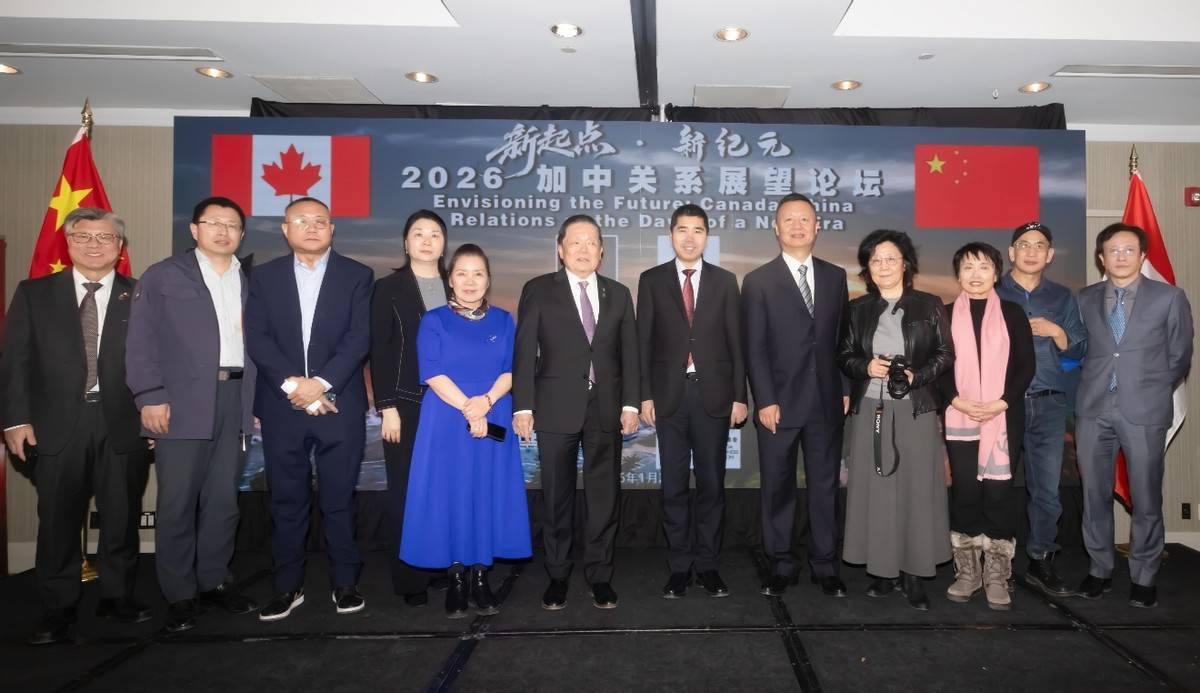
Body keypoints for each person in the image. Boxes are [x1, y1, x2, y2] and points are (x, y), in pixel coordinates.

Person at [1, 207, 151, 645]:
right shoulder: (35, 292)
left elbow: (159, 361)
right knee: (57, 520)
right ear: (67, 242)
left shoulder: (141, 295)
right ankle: (58, 606)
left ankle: (117, 596)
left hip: (123, 421)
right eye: (83, 236)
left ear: (120, 246)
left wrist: (156, 414)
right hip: (55, 424)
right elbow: (15, 361)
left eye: (105, 237)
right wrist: (14, 420)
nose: (94, 244)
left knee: (121, 515)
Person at [125, 196, 259, 633]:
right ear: (194, 229)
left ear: (241, 233)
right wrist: (149, 396)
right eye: (213, 223)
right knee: (177, 502)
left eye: (232, 225)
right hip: (180, 401)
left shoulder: (250, 279)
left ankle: (214, 580)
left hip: (236, 397)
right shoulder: (163, 275)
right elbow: (140, 341)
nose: (223, 231)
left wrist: (255, 404)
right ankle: (179, 593)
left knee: (223, 500)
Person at [244, 196, 374, 621]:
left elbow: (359, 338)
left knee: (339, 499)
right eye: (302, 220)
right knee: (286, 500)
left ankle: (345, 583)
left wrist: (320, 385)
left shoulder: (357, 275)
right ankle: (288, 586)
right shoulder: (263, 277)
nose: (312, 227)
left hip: (340, 404)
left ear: (332, 229)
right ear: (286, 229)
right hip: (282, 406)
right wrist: (294, 386)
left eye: (321, 221)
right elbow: (257, 337)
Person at [512, 214, 639, 610]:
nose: (584, 249)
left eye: (591, 243)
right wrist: (523, 405)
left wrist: (631, 403)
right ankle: (558, 575)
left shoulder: (619, 294)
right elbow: (524, 350)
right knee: (556, 497)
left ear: (601, 251)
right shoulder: (538, 290)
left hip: (605, 409)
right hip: (554, 407)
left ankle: (600, 576)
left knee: (604, 497)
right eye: (576, 242)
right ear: (560, 249)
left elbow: (630, 354)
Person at [400, 244, 531, 618]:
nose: (470, 281)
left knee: (486, 491)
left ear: (488, 280)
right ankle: (456, 577)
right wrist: (469, 408)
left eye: (478, 274)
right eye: (462, 273)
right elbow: (432, 372)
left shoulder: (504, 320)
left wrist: (485, 403)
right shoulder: (434, 320)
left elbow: (511, 370)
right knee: (451, 493)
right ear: (450, 280)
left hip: (494, 412)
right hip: (446, 419)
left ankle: (480, 575)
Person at [1074, 223, 1193, 608]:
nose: (1121, 256)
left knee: (1146, 496)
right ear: (1101, 258)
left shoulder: (1169, 297)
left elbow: (1180, 356)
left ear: (1142, 256)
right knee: (1093, 495)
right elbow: (1081, 348)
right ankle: (1099, 569)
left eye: (1129, 250)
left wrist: (1148, 389)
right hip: (1093, 409)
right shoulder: (1085, 298)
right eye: (1113, 250)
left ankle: (1144, 575)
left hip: (1144, 410)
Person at [837, 229, 954, 611]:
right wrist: (865, 366)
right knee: (878, 491)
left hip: (916, 409)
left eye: (891, 258)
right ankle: (883, 571)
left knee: (917, 490)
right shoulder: (857, 308)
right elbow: (844, 355)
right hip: (870, 408)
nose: (884, 265)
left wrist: (915, 377)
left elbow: (945, 354)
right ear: (867, 268)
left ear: (906, 264)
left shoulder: (929, 304)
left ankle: (914, 574)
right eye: (876, 260)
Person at [636, 204, 747, 599]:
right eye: (682, 229)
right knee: (673, 487)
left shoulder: (725, 281)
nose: (689, 237)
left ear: (706, 237)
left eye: (697, 230)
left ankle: (709, 566)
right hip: (669, 397)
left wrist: (739, 396)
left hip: (713, 396)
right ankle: (680, 566)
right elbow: (643, 343)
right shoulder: (651, 280)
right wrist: (644, 394)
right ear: (671, 234)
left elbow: (737, 343)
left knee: (713, 485)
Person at [741, 193, 849, 598]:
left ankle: (826, 565)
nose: (798, 226)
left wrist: (844, 388)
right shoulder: (758, 281)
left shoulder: (836, 277)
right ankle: (781, 564)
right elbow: (755, 348)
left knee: (825, 488)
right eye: (789, 220)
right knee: (777, 487)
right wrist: (765, 399)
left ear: (818, 226)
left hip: (827, 402)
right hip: (779, 404)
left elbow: (842, 341)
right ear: (776, 227)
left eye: (805, 219)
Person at [939, 242, 1035, 610]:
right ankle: (967, 572)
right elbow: (939, 366)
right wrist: (957, 400)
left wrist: (1001, 402)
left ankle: (997, 574)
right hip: (959, 415)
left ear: (996, 273)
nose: (975, 274)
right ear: (958, 275)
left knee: (999, 494)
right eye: (967, 267)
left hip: (1004, 416)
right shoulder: (944, 314)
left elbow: (1026, 366)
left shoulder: (1012, 313)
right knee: (965, 492)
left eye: (983, 267)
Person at [995, 221, 1087, 596]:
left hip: (1049, 404)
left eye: (1039, 246)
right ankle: (995, 563)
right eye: (1024, 244)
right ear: (1011, 252)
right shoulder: (993, 291)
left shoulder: (1063, 297)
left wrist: (1056, 332)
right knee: (996, 488)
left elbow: (1079, 348)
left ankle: (1041, 559)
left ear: (1049, 255)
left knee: (1046, 491)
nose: (1031, 251)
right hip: (1003, 404)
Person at [369, 210, 450, 607]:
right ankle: (409, 577)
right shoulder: (388, 289)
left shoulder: (458, 284)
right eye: (418, 233)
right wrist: (387, 406)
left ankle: (440, 566)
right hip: (407, 403)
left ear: (444, 243)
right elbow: (380, 350)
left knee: (444, 488)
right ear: (405, 242)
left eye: (435, 233)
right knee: (407, 490)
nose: (427, 240)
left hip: (452, 405)